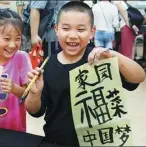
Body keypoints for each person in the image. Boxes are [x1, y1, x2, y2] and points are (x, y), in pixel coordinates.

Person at [25, 1, 145, 146]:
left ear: (92, 32)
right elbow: (34, 111)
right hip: (57, 141)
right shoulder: (47, 65)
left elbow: (138, 77)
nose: (73, 35)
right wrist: (34, 94)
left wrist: (113, 55)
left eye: (81, 29)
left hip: (98, 141)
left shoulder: (100, 60)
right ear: (56, 29)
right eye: (66, 28)